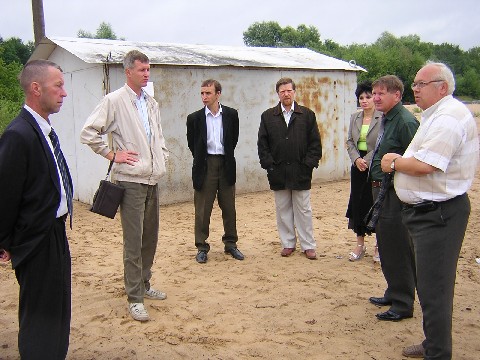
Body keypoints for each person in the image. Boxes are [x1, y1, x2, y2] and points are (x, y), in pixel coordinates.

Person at [381, 62, 479, 359]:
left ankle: (437, 352)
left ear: (443, 87)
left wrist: (393, 162)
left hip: (438, 214)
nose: (415, 88)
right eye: (415, 83)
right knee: (428, 284)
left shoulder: (448, 118)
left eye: (422, 84)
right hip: (428, 212)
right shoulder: (436, 115)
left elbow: (427, 165)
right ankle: (432, 342)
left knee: (435, 289)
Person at [80, 50, 169, 322]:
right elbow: (89, 132)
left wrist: (162, 156)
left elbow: (158, 136)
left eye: (148, 69)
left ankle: (144, 283)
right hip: (130, 180)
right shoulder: (114, 100)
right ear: (128, 71)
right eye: (141, 69)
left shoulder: (151, 102)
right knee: (133, 240)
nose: (146, 73)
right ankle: (134, 297)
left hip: (151, 178)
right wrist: (111, 154)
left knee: (149, 238)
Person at [0, 60, 72, 359]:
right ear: (35, 88)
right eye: (58, 85)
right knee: (40, 312)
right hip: (36, 238)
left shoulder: (43, 130)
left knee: (58, 306)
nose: (64, 93)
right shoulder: (19, 134)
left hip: (54, 232)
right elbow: (5, 193)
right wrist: (4, 241)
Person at [367, 75, 419, 321]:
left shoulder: (406, 122)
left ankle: (403, 302)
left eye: (381, 93)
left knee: (398, 246)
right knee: (386, 245)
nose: (376, 97)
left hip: (395, 192)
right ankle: (393, 291)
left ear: (397, 95)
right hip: (381, 189)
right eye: (374, 93)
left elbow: (416, 162)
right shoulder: (387, 118)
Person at [257, 77, 322, 260]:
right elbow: (263, 144)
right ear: (278, 94)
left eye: (289, 90)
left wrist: (308, 164)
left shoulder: (307, 115)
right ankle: (288, 243)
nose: (286, 94)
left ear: (294, 92)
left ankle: (308, 245)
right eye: (282, 91)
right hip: (278, 171)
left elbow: (315, 144)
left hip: (301, 170)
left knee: (303, 209)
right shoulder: (268, 116)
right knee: (283, 209)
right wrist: (269, 165)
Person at [186, 79, 244, 264]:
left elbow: (233, 140)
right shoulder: (194, 118)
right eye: (202, 93)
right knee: (202, 209)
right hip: (205, 164)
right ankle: (202, 246)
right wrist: (204, 160)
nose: (204, 97)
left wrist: (223, 157)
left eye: (208, 93)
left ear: (218, 94)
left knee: (229, 207)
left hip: (226, 163)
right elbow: (192, 144)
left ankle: (231, 244)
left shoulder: (231, 115)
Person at [345, 81, 382, 262]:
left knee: (374, 203)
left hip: (374, 166)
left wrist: (366, 160)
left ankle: (378, 246)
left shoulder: (382, 117)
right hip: (357, 166)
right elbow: (350, 141)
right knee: (358, 203)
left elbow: (381, 144)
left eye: (368, 97)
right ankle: (360, 244)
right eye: (361, 98)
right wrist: (356, 159)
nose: (365, 101)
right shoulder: (355, 117)